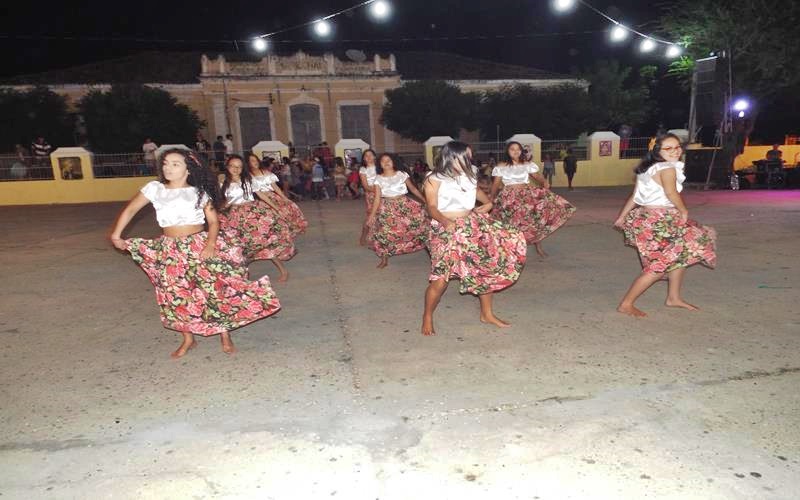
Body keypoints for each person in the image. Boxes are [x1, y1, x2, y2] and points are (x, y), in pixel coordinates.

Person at [109, 149, 280, 358]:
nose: (168, 168)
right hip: (170, 248)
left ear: (188, 169)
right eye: (165, 164)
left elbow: (214, 222)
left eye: (175, 164)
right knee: (176, 293)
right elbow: (130, 210)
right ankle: (188, 339)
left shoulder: (199, 192)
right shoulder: (154, 189)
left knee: (211, 289)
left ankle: (224, 334)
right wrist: (117, 234)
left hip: (198, 245)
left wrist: (210, 245)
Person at [421, 141, 527, 336]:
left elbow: (483, 197)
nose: (468, 160)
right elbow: (432, 207)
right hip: (444, 229)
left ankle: (487, 314)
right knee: (441, 279)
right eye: (465, 156)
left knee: (484, 268)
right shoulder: (434, 178)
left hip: (470, 226)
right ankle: (427, 315)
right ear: (451, 156)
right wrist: (445, 222)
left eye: (469, 156)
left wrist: (488, 205)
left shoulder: (469, 176)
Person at [613, 133, 717, 317]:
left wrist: (622, 217)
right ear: (657, 151)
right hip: (661, 220)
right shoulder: (667, 169)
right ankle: (626, 304)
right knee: (659, 266)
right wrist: (683, 210)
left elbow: (635, 197)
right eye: (668, 148)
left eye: (677, 147)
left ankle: (673, 297)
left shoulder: (647, 169)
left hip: (648, 218)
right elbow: (670, 192)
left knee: (681, 253)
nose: (675, 151)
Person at [490, 141, 575, 258]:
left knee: (534, 222)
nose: (515, 151)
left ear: (521, 151)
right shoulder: (501, 166)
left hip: (526, 197)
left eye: (518, 149)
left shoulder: (527, 164)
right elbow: (496, 184)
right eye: (512, 149)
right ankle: (511, 251)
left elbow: (537, 177)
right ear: (507, 151)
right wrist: (491, 197)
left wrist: (544, 182)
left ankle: (538, 247)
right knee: (511, 224)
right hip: (509, 198)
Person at [218, 155, 295, 282]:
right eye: (232, 166)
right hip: (235, 217)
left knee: (265, 243)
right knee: (242, 247)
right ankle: (243, 275)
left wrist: (276, 208)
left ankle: (283, 271)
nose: (236, 169)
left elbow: (262, 195)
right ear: (227, 167)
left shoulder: (248, 180)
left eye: (239, 167)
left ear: (243, 168)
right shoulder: (223, 183)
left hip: (254, 214)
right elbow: (223, 202)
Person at [366, 153, 428, 268]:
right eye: (383, 161)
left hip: (405, 205)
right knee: (384, 233)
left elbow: (413, 189)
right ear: (379, 164)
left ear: (394, 162)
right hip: (387, 208)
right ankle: (384, 258)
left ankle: (427, 248)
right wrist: (371, 215)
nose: (386, 162)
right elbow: (377, 198)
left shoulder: (401, 174)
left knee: (417, 226)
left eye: (388, 160)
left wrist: (425, 201)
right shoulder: (378, 179)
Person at [247, 153, 308, 237]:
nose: (255, 162)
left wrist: (284, 198)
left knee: (285, 214)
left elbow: (275, 187)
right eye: (252, 161)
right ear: (248, 163)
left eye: (256, 160)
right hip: (258, 200)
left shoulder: (265, 172)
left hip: (272, 197)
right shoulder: (248, 176)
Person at [358, 149, 379, 246]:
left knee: (383, 216)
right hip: (372, 194)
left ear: (375, 156)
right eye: (366, 156)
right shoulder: (363, 169)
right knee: (371, 216)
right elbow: (365, 186)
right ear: (364, 159)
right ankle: (363, 236)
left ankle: (379, 238)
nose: (369, 157)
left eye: (371, 155)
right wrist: (378, 192)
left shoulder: (380, 167)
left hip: (384, 194)